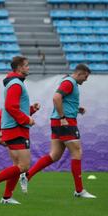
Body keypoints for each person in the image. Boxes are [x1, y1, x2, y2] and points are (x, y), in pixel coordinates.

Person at [19, 64, 96, 199]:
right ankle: (79, 190)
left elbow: (64, 100)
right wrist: (63, 118)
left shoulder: (68, 81)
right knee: (77, 152)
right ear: (80, 73)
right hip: (65, 122)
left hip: (58, 121)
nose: (86, 80)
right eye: (86, 76)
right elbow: (56, 98)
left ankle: (27, 175)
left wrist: (76, 108)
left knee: (54, 155)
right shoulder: (69, 82)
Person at [0, 56, 40, 204]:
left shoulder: (14, 83)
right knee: (24, 166)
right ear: (19, 67)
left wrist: (31, 110)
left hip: (13, 128)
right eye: (26, 65)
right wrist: (27, 119)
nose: (28, 68)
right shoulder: (16, 84)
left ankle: (6, 197)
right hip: (16, 129)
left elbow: (15, 107)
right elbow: (11, 107)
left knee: (18, 166)